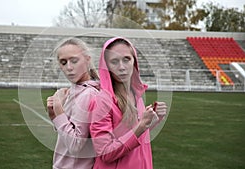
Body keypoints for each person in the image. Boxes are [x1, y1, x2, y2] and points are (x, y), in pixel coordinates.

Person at [89, 37, 167, 169]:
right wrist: (141, 125)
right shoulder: (102, 101)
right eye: (114, 62)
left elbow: (135, 136)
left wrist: (153, 120)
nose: (122, 67)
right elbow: (105, 153)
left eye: (126, 59)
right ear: (106, 66)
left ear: (134, 62)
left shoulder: (136, 95)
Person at [46, 37, 99, 169]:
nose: (69, 67)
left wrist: (58, 109)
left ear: (87, 60)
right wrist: (54, 116)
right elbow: (67, 132)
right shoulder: (76, 90)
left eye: (74, 61)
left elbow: (75, 145)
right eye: (63, 62)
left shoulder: (88, 94)